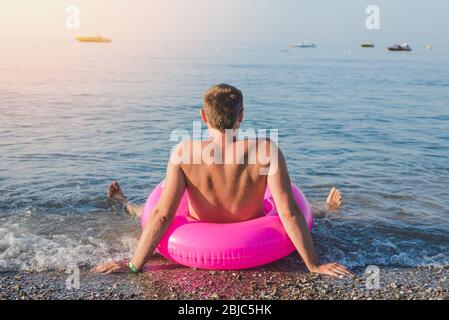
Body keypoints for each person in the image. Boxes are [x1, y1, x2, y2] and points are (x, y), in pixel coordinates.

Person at [93, 84, 351, 277]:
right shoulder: (266, 151)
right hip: (252, 228)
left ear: (203, 116)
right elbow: (289, 212)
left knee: (144, 211)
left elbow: (162, 215)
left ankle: (123, 202)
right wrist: (313, 265)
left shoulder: (184, 152)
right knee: (305, 210)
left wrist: (133, 265)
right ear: (241, 117)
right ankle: (327, 209)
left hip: (198, 225)